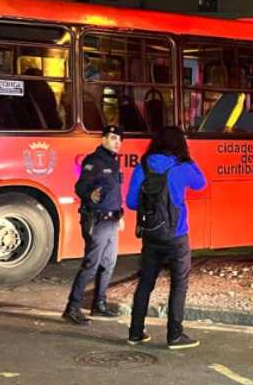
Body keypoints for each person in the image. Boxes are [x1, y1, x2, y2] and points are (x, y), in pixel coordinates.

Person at [126, 126, 207, 349]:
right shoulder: (182, 166)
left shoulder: (143, 166)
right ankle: (174, 335)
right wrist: (189, 158)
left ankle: (135, 332)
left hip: (151, 235)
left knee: (145, 283)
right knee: (179, 284)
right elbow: (202, 183)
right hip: (177, 235)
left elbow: (132, 202)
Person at [63, 125, 126, 325]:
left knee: (108, 264)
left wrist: (120, 215)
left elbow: (114, 192)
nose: (117, 142)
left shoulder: (113, 162)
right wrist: (89, 194)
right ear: (104, 139)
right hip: (97, 220)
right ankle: (72, 308)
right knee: (91, 265)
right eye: (114, 138)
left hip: (112, 220)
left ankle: (99, 304)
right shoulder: (94, 161)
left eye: (119, 139)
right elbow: (80, 186)